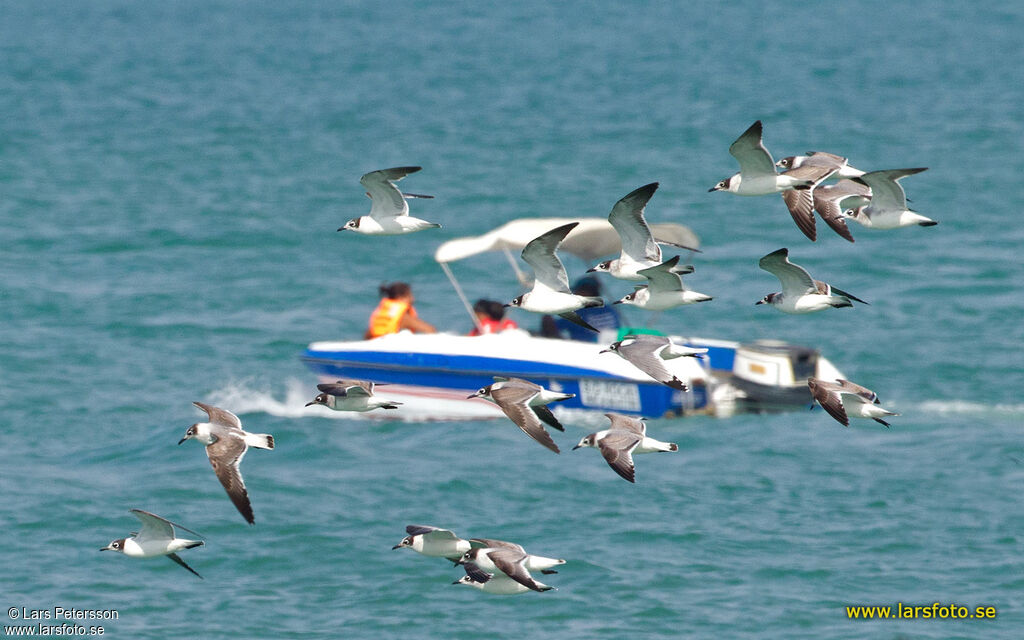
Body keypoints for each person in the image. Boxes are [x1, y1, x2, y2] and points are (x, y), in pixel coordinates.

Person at [539, 276, 621, 342]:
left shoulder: (578, 313)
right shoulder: (610, 310)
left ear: (584, 292)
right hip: (608, 345)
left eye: (576, 291)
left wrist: (546, 314)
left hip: (585, 349)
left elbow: (551, 328)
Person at [364, 282, 436, 339]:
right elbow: (430, 330)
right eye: (410, 296)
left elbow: (368, 335)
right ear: (400, 297)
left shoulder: (381, 314)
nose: (413, 299)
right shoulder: (404, 318)